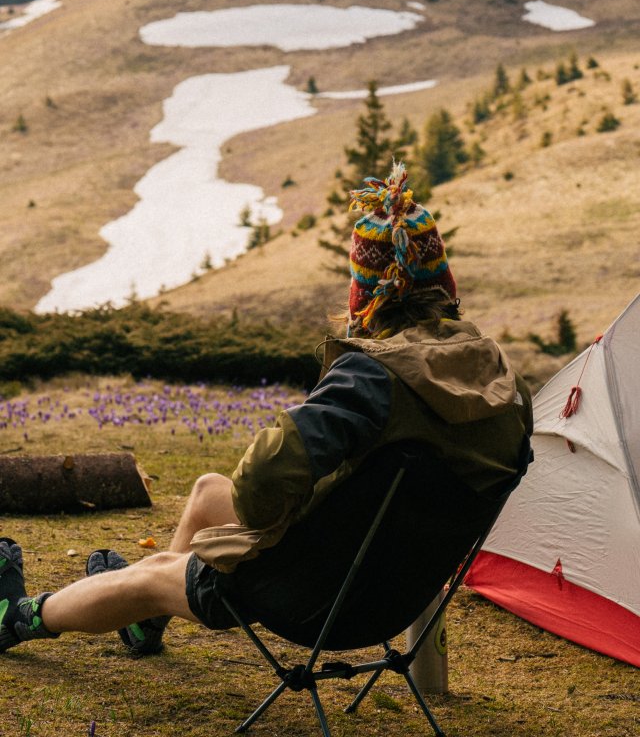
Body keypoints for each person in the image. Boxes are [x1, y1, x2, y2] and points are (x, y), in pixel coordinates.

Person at [0, 162, 532, 657]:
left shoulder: (375, 378)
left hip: (311, 596)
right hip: (394, 595)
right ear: (444, 285)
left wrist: (279, 523)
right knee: (208, 491)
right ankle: (145, 623)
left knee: (154, 571)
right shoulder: (506, 384)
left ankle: (19, 616)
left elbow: (261, 484)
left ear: (366, 295)